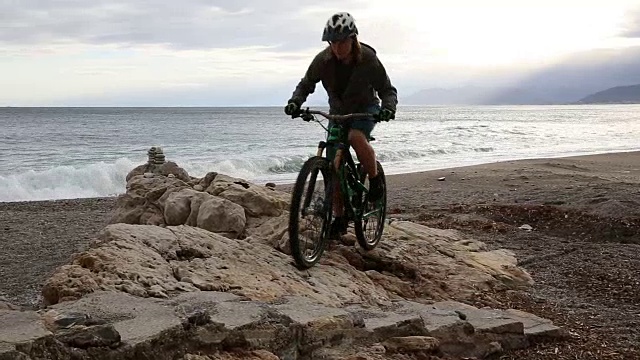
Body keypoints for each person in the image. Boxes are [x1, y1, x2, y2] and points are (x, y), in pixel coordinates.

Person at [284, 11, 398, 238]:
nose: (337, 48)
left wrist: (388, 108)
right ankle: (339, 216)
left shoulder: (368, 58)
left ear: (353, 38)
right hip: (338, 112)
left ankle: (375, 182)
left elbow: (387, 89)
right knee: (333, 165)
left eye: (342, 42)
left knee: (355, 137)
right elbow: (306, 84)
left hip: (365, 109)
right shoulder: (323, 60)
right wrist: (295, 102)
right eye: (332, 43)